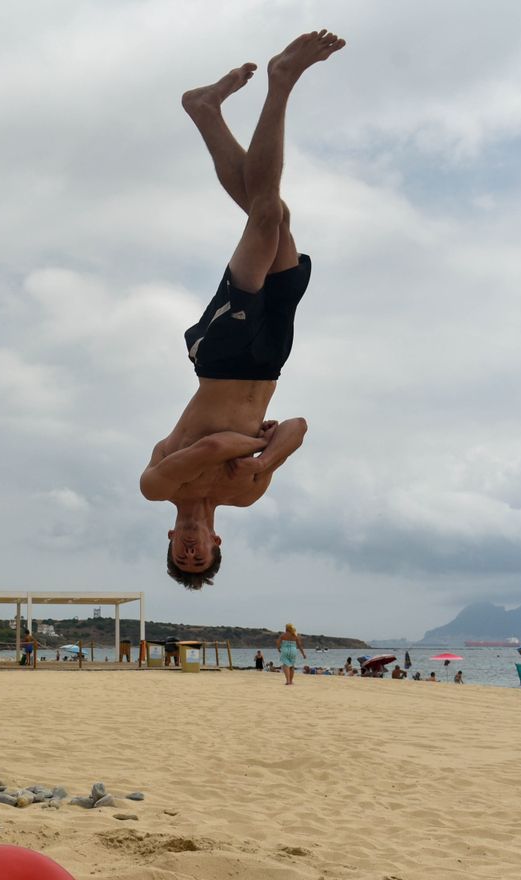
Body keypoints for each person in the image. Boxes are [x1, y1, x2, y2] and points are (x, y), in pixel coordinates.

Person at [140, 30, 345, 589]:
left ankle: (281, 81)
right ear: (216, 544)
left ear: (171, 539)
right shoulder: (246, 494)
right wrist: (268, 457)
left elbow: (214, 446)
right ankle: (205, 111)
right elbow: (299, 426)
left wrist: (259, 448)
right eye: (199, 557)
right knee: (275, 217)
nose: (190, 550)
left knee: (265, 217)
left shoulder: (158, 487)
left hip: (221, 358)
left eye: (181, 556)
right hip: (271, 361)